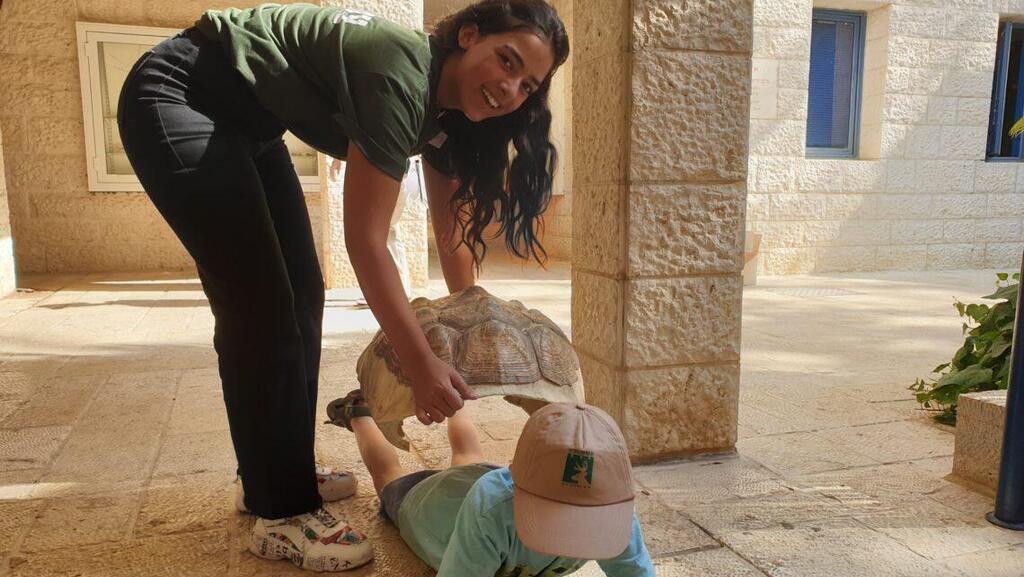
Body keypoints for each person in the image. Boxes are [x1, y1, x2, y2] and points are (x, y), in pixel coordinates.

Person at [116, 0, 568, 572]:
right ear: (468, 36)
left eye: (528, 84)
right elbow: (367, 242)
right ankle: (280, 514)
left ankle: (273, 474)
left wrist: (474, 330)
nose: (510, 89)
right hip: (179, 94)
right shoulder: (400, 73)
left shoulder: (451, 114)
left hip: (250, 126)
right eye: (505, 61)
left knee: (302, 299)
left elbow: (450, 236)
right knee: (262, 308)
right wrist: (421, 363)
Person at [326, 394, 657, 577]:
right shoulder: (491, 513)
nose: (573, 541)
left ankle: (455, 403)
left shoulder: (618, 517)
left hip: (481, 482)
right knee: (388, 476)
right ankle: (360, 413)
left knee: (469, 455)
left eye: (589, 521)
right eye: (557, 517)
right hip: (429, 507)